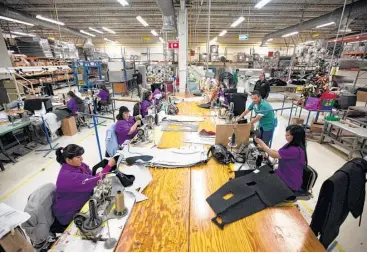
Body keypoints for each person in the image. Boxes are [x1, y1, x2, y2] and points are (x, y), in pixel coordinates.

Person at [52, 144, 116, 226]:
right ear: (68, 160)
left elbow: (90, 174)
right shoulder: (69, 176)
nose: (81, 159)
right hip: (70, 215)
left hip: (81, 203)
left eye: (81, 156)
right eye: (78, 157)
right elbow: (95, 180)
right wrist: (109, 166)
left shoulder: (77, 165)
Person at [254, 125, 307, 191]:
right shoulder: (290, 145)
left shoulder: (295, 150)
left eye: (288, 135)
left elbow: (274, 155)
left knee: (259, 185)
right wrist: (264, 148)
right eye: (286, 134)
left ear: (295, 137)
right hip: (281, 174)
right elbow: (279, 153)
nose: (285, 136)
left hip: (289, 182)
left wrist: (262, 143)